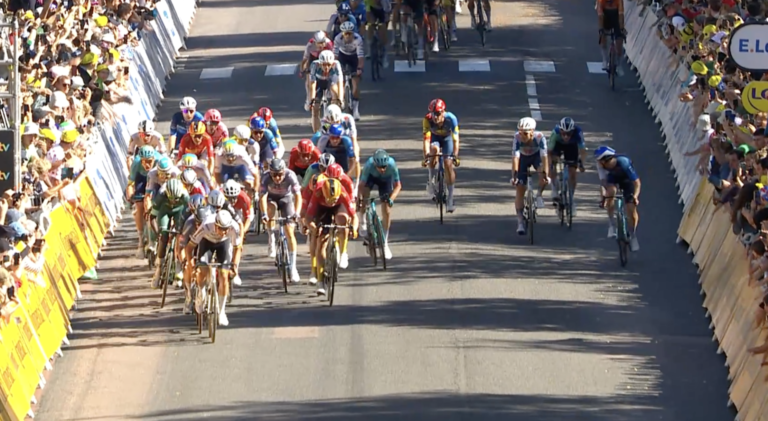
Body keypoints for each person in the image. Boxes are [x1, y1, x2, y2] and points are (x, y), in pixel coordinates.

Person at [186, 209, 242, 327]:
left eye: (226, 229)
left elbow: (238, 248)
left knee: (224, 275)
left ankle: (221, 311)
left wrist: (235, 266)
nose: (224, 232)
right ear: (215, 225)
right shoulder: (206, 225)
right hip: (207, 243)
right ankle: (200, 293)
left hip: (224, 244)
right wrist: (191, 265)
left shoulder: (234, 227)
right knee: (202, 270)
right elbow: (189, 248)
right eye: (221, 229)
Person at [302, 178, 358, 294]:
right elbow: (308, 218)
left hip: (338, 208)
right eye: (329, 200)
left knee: (343, 219)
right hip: (322, 209)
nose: (331, 202)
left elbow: (354, 216)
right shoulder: (317, 192)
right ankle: (320, 281)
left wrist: (354, 228)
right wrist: (314, 228)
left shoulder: (342, 192)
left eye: (334, 200)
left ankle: (343, 250)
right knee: (321, 243)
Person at [259, 159, 302, 283]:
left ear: (284, 172)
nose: (277, 178)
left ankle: (293, 267)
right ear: (270, 173)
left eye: (280, 174)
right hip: (272, 198)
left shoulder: (291, 175)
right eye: (274, 175)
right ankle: (271, 237)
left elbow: (298, 196)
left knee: (289, 232)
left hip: (286, 199)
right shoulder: (265, 176)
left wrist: (296, 213)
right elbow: (262, 197)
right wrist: (264, 214)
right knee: (270, 209)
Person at [594, 146, 641, 251]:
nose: (598, 163)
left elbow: (637, 183)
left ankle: (633, 235)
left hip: (627, 181)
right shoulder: (600, 164)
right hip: (612, 179)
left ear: (606, 160)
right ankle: (611, 224)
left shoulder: (624, 163)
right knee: (610, 192)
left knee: (631, 209)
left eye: (599, 161)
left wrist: (635, 196)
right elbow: (603, 182)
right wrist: (604, 197)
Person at [358, 149, 401, 260]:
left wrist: (391, 199)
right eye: (380, 167)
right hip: (371, 178)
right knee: (364, 197)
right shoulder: (369, 165)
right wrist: (360, 199)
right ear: (375, 164)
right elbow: (361, 185)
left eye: (384, 167)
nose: (382, 169)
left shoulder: (391, 164)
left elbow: (398, 186)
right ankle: (362, 220)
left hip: (385, 181)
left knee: (386, 211)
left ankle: (385, 242)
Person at [511, 117, 549, 236]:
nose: (522, 135)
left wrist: (545, 175)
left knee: (542, 174)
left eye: (525, 133)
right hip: (522, 158)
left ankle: (538, 195)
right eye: (521, 132)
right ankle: (520, 221)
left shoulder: (539, 137)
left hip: (536, 157)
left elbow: (544, 158)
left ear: (532, 131)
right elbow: (515, 158)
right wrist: (514, 176)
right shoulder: (516, 137)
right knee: (520, 188)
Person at [149, 179, 190, 289]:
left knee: (179, 235)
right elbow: (152, 217)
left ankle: (178, 266)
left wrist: (183, 231)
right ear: (166, 194)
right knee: (163, 237)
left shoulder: (185, 197)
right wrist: (158, 232)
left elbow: (189, 217)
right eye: (170, 198)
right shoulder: (161, 196)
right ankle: (158, 270)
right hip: (164, 211)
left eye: (176, 199)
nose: (173, 201)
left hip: (179, 212)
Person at [422, 98, 460, 212]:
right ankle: (430, 180)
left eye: (438, 114)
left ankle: (450, 198)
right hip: (435, 138)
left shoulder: (452, 119)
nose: (435, 117)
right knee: (434, 150)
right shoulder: (427, 119)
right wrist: (426, 157)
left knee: (448, 164)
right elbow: (426, 140)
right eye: (433, 113)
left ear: (443, 112)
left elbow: (456, 139)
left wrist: (455, 155)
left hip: (447, 139)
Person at [125, 146, 162, 257]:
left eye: (149, 161)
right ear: (140, 160)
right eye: (144, 162)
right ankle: (141, 240)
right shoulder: (136, 163)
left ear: (153, 159)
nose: (147, 165)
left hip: (156, 178)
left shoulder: (159, 160)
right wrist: (131, 195)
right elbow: (131, 183)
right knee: (140, 205)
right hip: (142, 178)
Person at [547, 117, 586, 215]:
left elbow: (583, 150)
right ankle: (554, 189)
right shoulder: (555, 132)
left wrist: (581, 163)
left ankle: (571, 200)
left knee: (573, 173)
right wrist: (550, 165)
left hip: (571, 147)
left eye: (568, 134)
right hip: (558, 145)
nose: (565, 136)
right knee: (552, 164)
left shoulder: (578, 132)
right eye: (563, 133)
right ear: (560, 130)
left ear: (573, 131)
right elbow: (549, 152)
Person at [179, 205, 214, 314]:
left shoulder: (211, 224)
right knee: (188, 267)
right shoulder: (189, 224)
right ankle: (189, 295)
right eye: (198, 224)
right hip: (192, 246)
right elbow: (181, 247)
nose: (200, 227)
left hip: (207, 245)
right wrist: (185, 261)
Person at [222, 180, 252, 286]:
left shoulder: (244, 198)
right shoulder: (220, 196)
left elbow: (247, 219)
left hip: (238, 213)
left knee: (238, 245)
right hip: (224, 211)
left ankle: (235, 270)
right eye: (229, 198)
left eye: (234, 197)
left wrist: (241, 236)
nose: (232, 201)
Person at [333, 21, 365, 120]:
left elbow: (360, 57)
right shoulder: (338, 39)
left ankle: (355, 110)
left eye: (349, 34)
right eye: (345, 34)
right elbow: (335, 56)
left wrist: (359, 69)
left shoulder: (358, 39)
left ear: (353, 33)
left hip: (354, 57)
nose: (347, 36)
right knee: (340, 82)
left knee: (355, 85)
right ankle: (341, 103)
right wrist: (335, 69)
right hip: (342, 57)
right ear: (342, 34)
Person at [307, 50, 345, 133]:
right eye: (324, 65)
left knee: (335, 92)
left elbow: (340, 83)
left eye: (329, 65)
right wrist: (312, 100)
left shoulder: (336, 64)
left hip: (331, 81)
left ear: (332, 63)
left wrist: (340, 99)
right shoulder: (314, 65)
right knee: (315, 108)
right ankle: (317, 133)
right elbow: (312, 85)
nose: (326, 67)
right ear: (320, 63)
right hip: (318, 81)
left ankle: (333, 121)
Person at [317, 124, 359, 194]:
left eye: (337, 138)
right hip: (328, 161)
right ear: (329, 136)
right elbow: (318, 158)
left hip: (342, 161)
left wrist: (347, 175)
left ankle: (355, 184)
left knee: (357, 160)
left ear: (341, 137)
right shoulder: (323, 141)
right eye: (332, 138)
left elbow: (352, 160)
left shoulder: (346, 141)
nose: (335, 140)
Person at [301, 31, 335, 109]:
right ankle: (308, 98)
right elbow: (305, 59)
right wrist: (302, 70)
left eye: (322, 43)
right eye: (318, 43)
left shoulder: (329, 44)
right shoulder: (310, 45)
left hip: (326, 57)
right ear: (314, 41)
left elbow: (334, 58)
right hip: (314, 57)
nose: (320, 46)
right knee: (309, 78)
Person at [597, 0, 625, 73]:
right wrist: (601, 29)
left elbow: (621, 15)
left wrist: (621, 29)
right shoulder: (601, 1)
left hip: (616, 19)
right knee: (602, 35)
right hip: (605, 18)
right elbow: (600, 16)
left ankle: (619, 65)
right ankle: (604, 60)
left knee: (619, 41)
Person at [364, 0, 391, 64]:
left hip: (383, 11)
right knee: (370, 27)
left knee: (383, 31)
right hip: (372, 10)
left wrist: (383, 24)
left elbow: (386, 16)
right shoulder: (368, 1)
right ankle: (369, 50)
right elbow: (368, 13)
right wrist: (370, 22)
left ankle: (384, 52)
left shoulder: (385, 2)